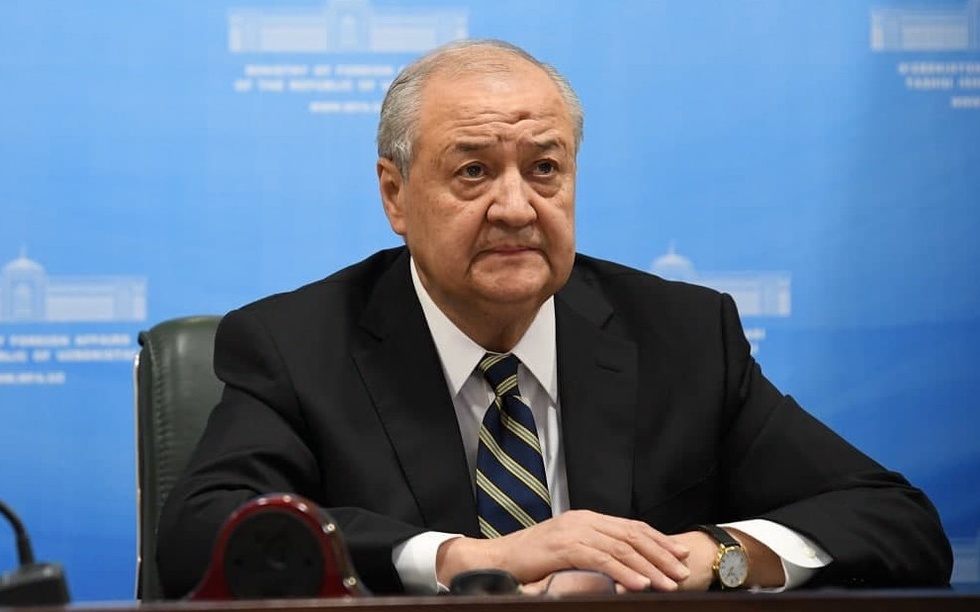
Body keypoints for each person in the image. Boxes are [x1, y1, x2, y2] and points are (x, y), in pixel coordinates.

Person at [156, 39, 952, 597]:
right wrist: (462, 559)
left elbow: (896, 521)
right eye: (474, 171)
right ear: (395, 195)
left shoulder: (682, 335)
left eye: (544, 168)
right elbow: (199, 535)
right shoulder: (297, 345)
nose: (516, 207)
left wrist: (716, 556)